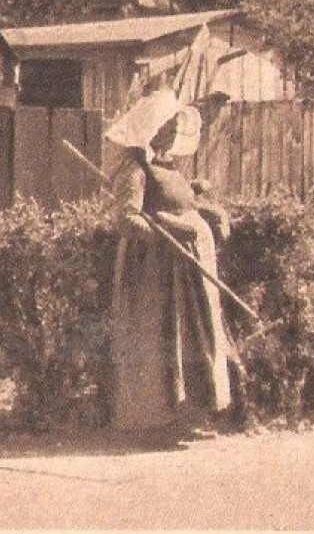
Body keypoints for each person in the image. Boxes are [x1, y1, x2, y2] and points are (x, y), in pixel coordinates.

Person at [101, 89, 237, 431]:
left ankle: (194, 414)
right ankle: (157, 418)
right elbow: (127, 218)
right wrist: (169, 231)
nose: (174, 131)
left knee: (195, 336)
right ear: (153, 128)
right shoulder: (135, 170)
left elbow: (182, 203)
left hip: (189, 271)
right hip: (156, 271)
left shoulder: (169, 168)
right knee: (164, 337)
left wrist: (210, 212)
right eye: (168, 125)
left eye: (177, 125)